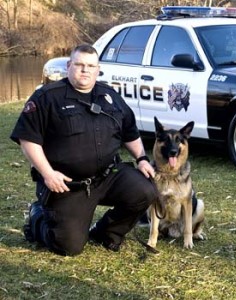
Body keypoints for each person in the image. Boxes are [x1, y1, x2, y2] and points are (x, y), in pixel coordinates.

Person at [10, 44, 157, 256]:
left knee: (145, 191)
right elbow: (27, 139)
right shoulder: (47, 97)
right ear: (69, 66)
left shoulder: (110, 96)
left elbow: (130, 131)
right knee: (69, 246)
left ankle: (106, 233)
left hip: (108, 176)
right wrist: (48, 173)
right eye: (79, 64)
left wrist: (142, 158)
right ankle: (37, 217)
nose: (84, 70)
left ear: (98, 69)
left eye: (90, 66)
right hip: (67, 185)